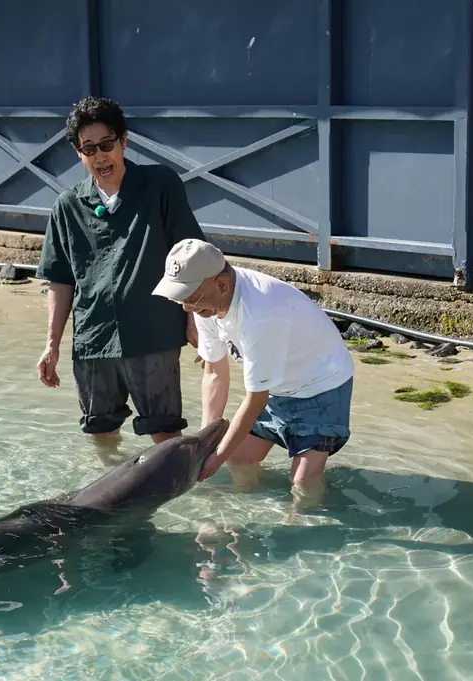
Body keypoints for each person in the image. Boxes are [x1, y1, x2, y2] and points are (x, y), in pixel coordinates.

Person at [35, 96, 206, 451]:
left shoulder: (161, 185)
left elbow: (191, 252)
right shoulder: (66, 206)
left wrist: (199, 319)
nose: (100, 157)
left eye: (107, 145)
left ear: (123, 141)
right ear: (77, 152)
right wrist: (51, 346)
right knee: (100, 433)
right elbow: (61, 280)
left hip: (153, 334)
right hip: (93, 340)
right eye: (89, 149)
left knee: (165, 435)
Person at [152, 238, 355, 503]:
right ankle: (245, 506)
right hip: (277, 387)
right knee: (238, 459)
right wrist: (207, 443)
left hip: (321, 385)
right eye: (181, 299)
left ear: (221, 285)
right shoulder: (206, 305)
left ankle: (304, 531)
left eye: (190, 298)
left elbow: (256, 399)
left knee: (303, 484)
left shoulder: (260, 313)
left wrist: (215, 461)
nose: (187, 308)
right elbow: (214, 372)